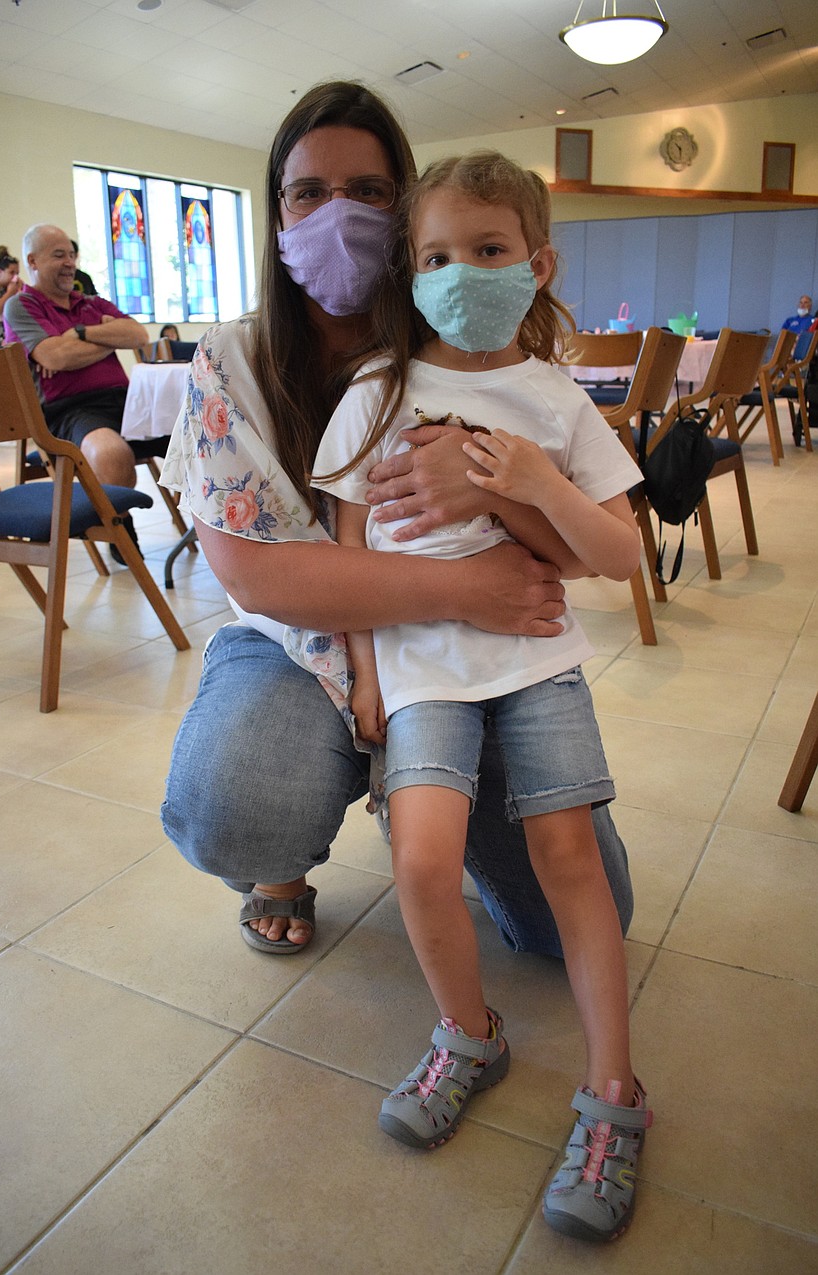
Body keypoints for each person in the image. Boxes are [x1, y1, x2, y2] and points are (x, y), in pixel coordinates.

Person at [159, 83, 633, 997]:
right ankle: (283, 862)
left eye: (370, 192)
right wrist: (461, 589)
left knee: (575, 914)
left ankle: (424, 796)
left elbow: (587, 548)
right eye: (308, 192)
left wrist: (493, 484)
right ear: (276, 212)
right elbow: (256, 578)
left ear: (408, 208)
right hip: (303, 647)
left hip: (467, 658)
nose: (337, 214)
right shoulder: (234, 359)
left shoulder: (472, 344)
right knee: (239, 801)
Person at [302, 149, 649, 1242]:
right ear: (409, 273)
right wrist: (362, 669)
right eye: (436, 257)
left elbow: (622, 554)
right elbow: (346, 540)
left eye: (488, 251)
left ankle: (614, 1094)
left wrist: (537, 479)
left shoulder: (554, 396)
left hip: (537, 656)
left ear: (536, 263)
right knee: (418, 857)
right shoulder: (378, 390)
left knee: (569, 856)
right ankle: (468, 1033)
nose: (461, 275)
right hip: (419, 666)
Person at [3, 224, 149, 492]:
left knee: (201, 436)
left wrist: (80, 333)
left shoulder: (92, 302)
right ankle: (121, 532)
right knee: (111, 454)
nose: (70, 263)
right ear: (32, 261)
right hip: (72, 411)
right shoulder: (22, 305)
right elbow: (57, 357)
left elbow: (138, 336)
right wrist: (109, 338)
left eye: (72, 255)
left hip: (127, 401)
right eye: (59, 255)